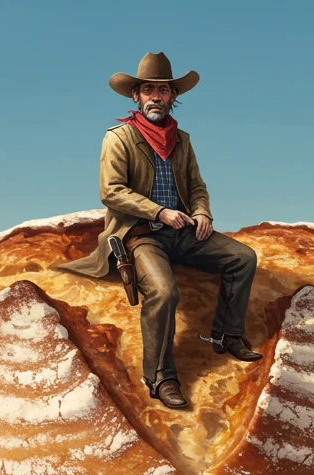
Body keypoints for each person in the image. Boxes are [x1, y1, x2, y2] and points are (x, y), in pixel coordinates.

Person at [53, 52, 261, 410]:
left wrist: (201, 213)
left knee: (243, 258)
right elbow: (112, 191)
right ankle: (160, 377)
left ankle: (227, 335)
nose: (155, 97)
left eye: (162, 90)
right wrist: (159, 212)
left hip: (183, 230)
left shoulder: (182, 139)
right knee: (164, 293)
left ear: (172, 97)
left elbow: (197, 186)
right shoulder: (119, 137)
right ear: (136, 96)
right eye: (148, 89)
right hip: (140, 232)